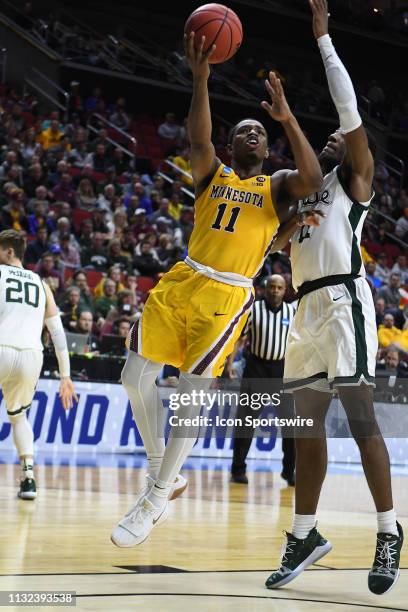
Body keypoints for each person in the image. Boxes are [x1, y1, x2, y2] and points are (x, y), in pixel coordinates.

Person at [110, 30, 323, 548]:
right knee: (133, 376)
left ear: (268, 147)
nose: (252, 134)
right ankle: (164, 467)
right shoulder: (213, 173)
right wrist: (201, 78)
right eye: (244, 130)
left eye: (259, 132)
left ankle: (157, 497)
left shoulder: (275, 187)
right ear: (231, 146)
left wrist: (286, 118)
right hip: (183, 279)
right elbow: (198, 139)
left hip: (228, 294)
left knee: (191, 398)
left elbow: (314, 179)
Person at [265, 0, 403, 596]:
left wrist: (323, 39)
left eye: (340, 139)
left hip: (345, 302)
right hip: (304, 313)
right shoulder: (297, 199)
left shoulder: (357, 182)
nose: (335, 139)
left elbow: (346, 112)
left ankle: (388, 529)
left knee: (361, 418)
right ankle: (305, 533)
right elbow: (272, 242)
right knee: (305, 429)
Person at [0, 230, 77, 500]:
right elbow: (57, 332)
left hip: (1, 347)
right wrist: (65, 375)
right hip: (31, 356)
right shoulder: (41, 284)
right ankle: (29, 478)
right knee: (18, 416)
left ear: (10, 251)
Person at [228, 274, 296, 485]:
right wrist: (229, 364)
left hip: (282, 371)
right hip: (256, 368)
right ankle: (238, 469)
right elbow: (239, 339)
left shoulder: (292, 312)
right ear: (265, 289)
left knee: (291, 425)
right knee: (246, 422)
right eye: (272, 287)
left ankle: (288, 471)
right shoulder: (253, 310)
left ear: (285, 291)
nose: (275, 291)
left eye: (279, 288)